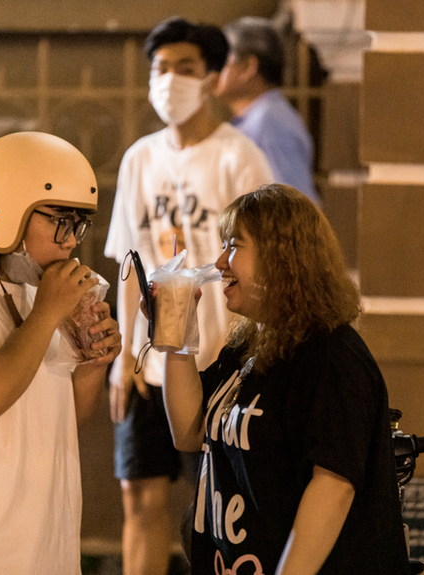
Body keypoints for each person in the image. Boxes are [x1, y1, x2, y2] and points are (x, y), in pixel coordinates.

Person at [159, 184, 411, 574]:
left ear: (281, 257)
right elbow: (189, 432)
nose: (220, 261)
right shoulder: (248, 346)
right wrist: (174, 337)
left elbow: (333, 485)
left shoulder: (332, 355)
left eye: (233, 245)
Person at [104, 17, 273, 575]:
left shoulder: (238, 157)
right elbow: (130, 264)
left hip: (220, 355)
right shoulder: (139, 159)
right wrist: (123, 358)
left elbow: (263, 257)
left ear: (210, 77)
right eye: (161, 68)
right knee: (140, 498)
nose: (170, 80)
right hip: (149, 359)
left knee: (221, 501)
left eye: (186, 68)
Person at [0, 131, 122, 574]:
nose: (71, 241)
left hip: (50, 549)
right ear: (3, 206)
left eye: (80, 224)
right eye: (61, 220)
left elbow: (62, 419)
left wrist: (93, 364)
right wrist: (46, 313)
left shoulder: (35, 290)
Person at [216, 17, 320, 205]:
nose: (213, 71)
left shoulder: (268, 122)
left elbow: (294, 208)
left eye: (221, 60)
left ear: (248, 67)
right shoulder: (253, 118)